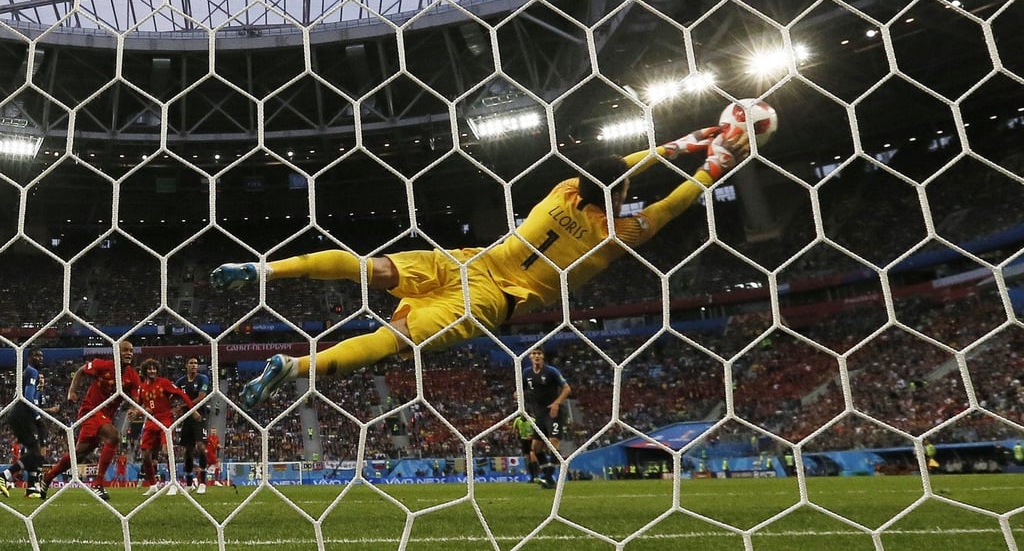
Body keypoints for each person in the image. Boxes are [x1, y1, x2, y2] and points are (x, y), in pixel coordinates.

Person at [209, 126, 751, 409]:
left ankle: (267, 271)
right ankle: (295, 367)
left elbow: (615, 170)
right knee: (394, 338)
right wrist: (714, 162)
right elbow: (674, 203)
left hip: (466, 263)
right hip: (491, 301)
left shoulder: (562, 191)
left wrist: (681, 142)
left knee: (368, 268)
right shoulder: (621, 231)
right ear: (620, 194)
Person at [39, 341, 142, 501]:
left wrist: (134, 410)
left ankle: (48, 477)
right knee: (114, 436)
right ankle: (98, 484)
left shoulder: (133, 376)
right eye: (125, 350)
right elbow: (81, 371)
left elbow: (136, 398)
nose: (129, 353)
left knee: (78, 455)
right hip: (90, 411)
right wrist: (72, 391)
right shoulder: (102, 365)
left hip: (105, 416)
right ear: (116, 352)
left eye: (131, 351)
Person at [135, 358, 193, 496]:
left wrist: (191, 409)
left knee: (167, 451)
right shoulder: (142, 388)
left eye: (154, 368)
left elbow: (180, 393)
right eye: (149, 368)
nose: (152, 371)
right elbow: (140, 406)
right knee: (145, 456)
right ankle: (153, 485)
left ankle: (174, 482)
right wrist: (135, 412)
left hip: (165, 420)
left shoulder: (164, 383)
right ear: (145, 371)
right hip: (150, 422)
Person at [0, 348, 49, 498]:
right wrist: (37, 417)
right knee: (36, 451)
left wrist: (40, 393)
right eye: (36, 355)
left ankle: (32, 487)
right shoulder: (32, 371)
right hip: (22, 413)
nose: (39, 358)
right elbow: (27, 397)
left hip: (18, 413)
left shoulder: (31, 374)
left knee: (35, 451)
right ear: (28, 358)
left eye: (41, 356)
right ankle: (4, 476)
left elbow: (33, 399)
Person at [522, 347, 571, 489]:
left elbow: (567, 388)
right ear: (530, 357)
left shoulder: (551, 371)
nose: (536, 356)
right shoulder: (526, 373)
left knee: (553, 441)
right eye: (534, 354)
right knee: (535, 448)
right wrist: (517, 394)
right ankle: (547, 477)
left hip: (553, 412)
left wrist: (556, 403)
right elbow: (521, 389)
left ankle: (548, 476)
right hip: (539, 414)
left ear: (543, 356)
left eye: (539, 353)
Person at [174, 357, 211, 493]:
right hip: (187, 418)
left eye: (196, 363)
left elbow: (202, 397)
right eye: (191, 363)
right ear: (186, 365)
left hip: (200, 416)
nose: (194, 365)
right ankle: (189, 484)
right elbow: (172, 393)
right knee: (188, 450)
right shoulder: (181, 381)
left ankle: (203, 482)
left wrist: (183, 405)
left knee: (201, 446)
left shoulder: (203, 379)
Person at [511, 412, 539, 483]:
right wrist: (515, 434)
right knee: (528, 458)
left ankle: (536, 476)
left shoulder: (532, 420)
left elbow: (537, 431)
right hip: (523, 440)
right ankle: (532, 477)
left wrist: (532, 436)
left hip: (532, 440)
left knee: (532, 456)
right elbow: (514, 430)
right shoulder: (517, 420)